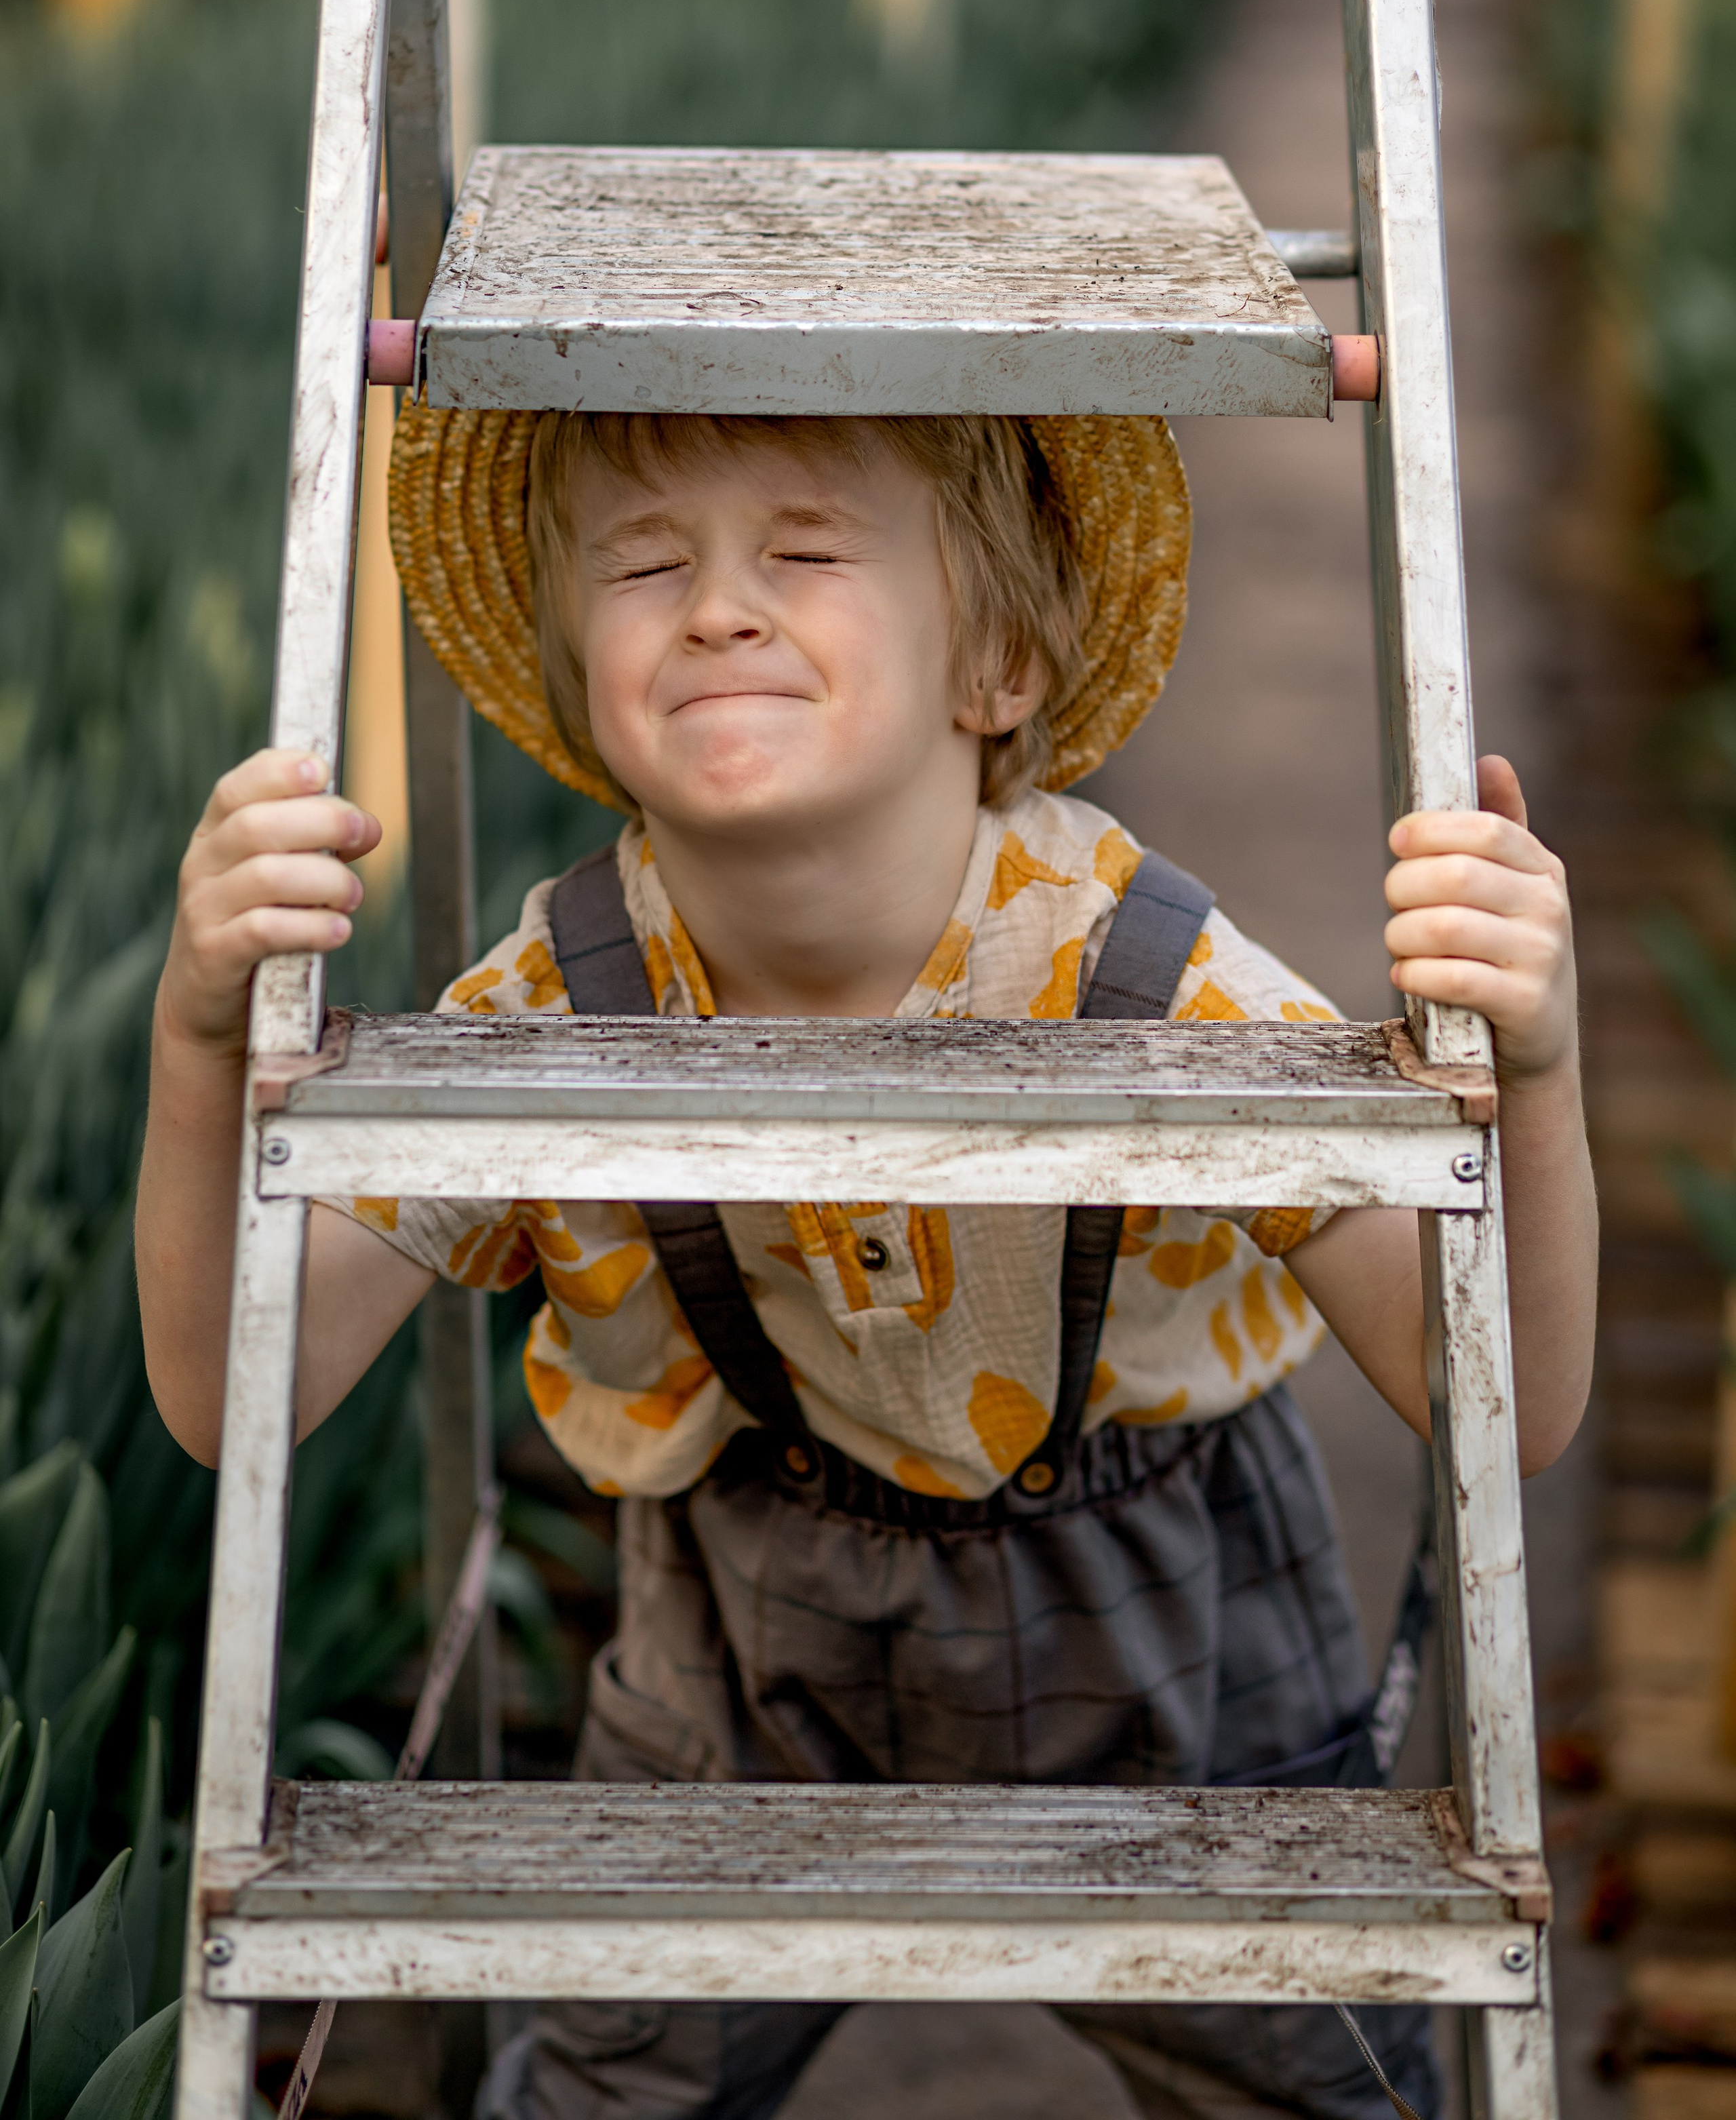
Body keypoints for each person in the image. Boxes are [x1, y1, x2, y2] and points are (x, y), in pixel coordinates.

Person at [136, 410, 1595, 2120]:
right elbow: (230, 1399)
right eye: (645, 560)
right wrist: (193, 1043)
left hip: (1165, 1610)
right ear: (578, 666)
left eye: (805, 550)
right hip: (750, 1632)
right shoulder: (560, 1002)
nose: (717, 610)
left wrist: (1539, 1082)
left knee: (1315, 2079)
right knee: (608, 2089)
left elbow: (1500, 1404)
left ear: (994, 663)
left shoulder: (1148, 982)